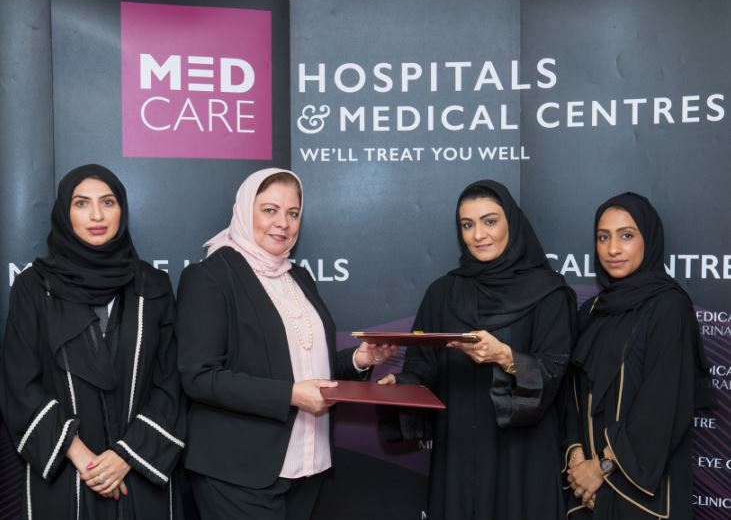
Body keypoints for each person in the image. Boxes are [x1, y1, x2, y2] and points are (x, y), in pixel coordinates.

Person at [176, 167, 396, 520]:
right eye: (270, 210)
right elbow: (199, 377)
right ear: (244, 210)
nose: (283, 223)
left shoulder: (298, 276)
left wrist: (359, 359)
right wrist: (291, 395)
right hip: (238, 472)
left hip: (308, 465)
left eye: (293, 213)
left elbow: (305, 367)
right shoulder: (210, 277)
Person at [379, 179, 576, 520]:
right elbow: (423, 365)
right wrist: (402, 387)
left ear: (511, 223)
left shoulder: (550, 293)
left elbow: (556, 374)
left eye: (490, 221)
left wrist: (505, 357)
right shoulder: (443, 293)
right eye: (467, 225)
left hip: (523, 456)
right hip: (459, 451)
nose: (478, 235)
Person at [0, 164, 186, 519]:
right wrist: (83, 457)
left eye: (108, 202)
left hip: (139, 474)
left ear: (122, 210)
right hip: (66, 476)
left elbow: (171, 383)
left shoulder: (153, 286)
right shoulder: (34, 287)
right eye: (82, 203)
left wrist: (125, 456)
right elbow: (19, 384)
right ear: (65, 213)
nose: (97, 215)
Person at [564, 192, 714, 519]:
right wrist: (577, 460)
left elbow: (662, 410)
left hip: (642, 498)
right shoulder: (592, 311)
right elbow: (571, 396)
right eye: (603, 237)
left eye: (626, 236)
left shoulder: (669, 307)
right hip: (585, 493)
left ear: (649, 240)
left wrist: (600, 468)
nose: (613, 249)